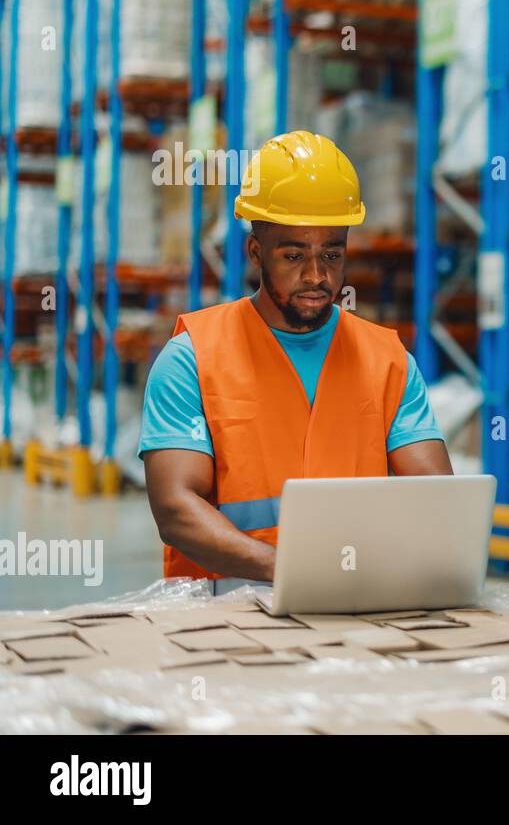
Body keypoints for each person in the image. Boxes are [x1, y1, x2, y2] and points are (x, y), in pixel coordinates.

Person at [139, 131, 452, 593]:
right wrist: (290, 570)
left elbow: (437, 499)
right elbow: (175, 508)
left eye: (332, 254)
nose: (316, 275)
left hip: (354, 603)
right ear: (255, 253)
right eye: (293, 255)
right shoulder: (192, 357)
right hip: (222, 623)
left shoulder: (387, 359)